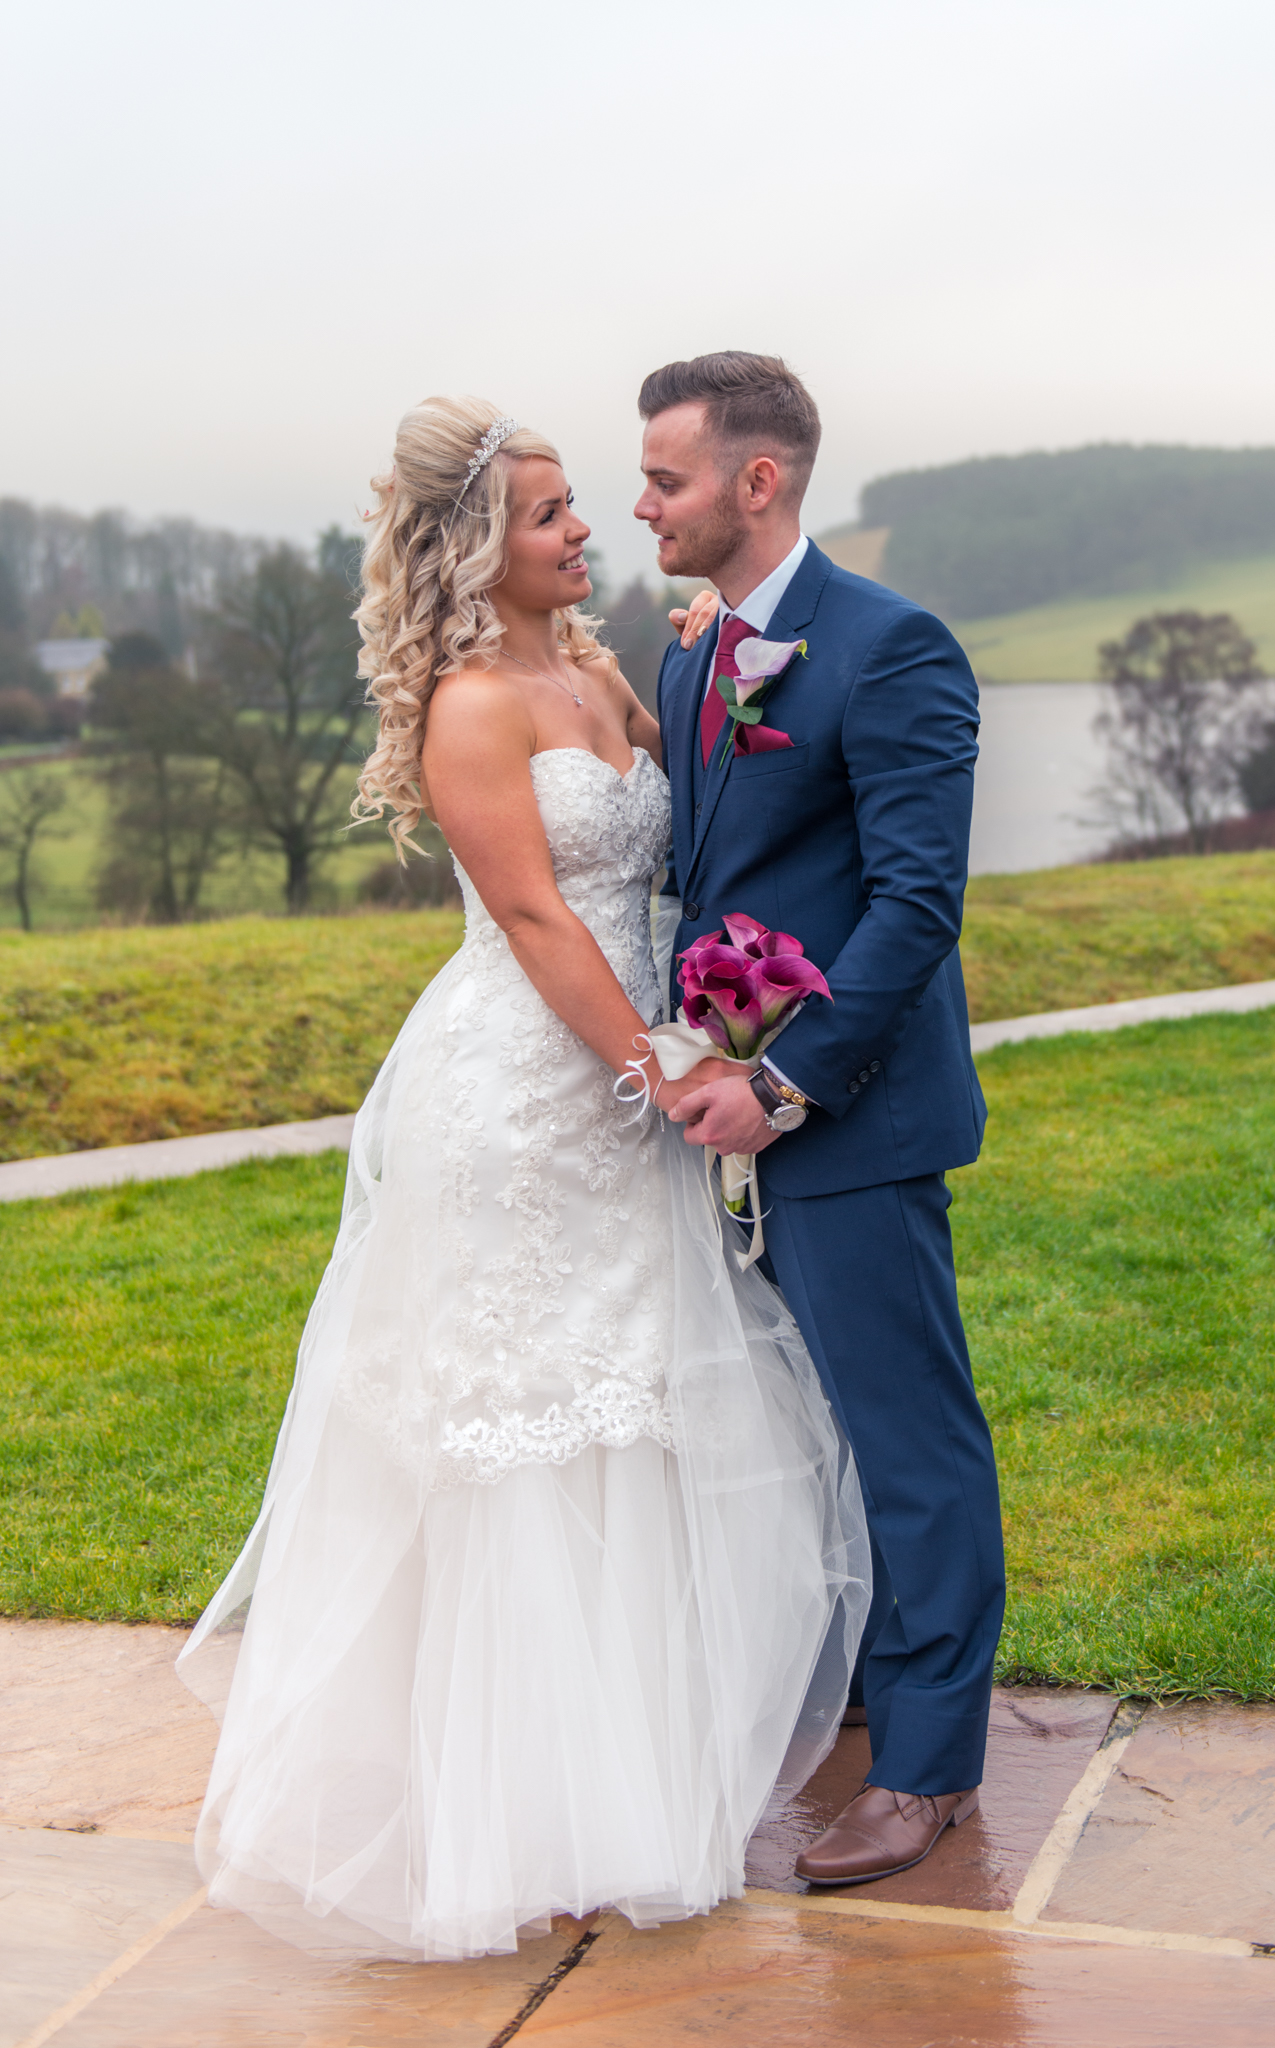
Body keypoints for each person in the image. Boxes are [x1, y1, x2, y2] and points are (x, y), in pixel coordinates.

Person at [177, 396, 868, 1961]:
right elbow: (545, 922)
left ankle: (622, 1793)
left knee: (632, 1420)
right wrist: (663, 1066)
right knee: (523, 1442)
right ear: (483, 545)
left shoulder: (605, 671)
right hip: (526, 1096)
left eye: (582, 504)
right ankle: (503, 1821)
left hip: (623, 1076)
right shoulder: (476, 705)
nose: (588, 529)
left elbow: (666, 856)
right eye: (555, 511)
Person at [640, 351, 1005, 1884]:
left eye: (666, 476)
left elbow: (917, 905)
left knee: (906, 1435)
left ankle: (928, 1768)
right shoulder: (688, 654)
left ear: (758, 481)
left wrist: (784, 1085)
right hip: (724, 1112)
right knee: (806, 1439)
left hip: (845, 1120)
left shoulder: (893, 647)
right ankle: (858, 1687)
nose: (642, 503)